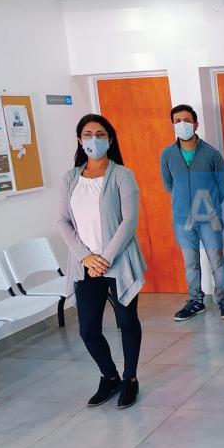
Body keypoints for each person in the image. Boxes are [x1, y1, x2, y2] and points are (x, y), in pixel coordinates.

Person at [58, 114, 147, 408]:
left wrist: (105, 258)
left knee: (126, 321)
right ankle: (109, 377)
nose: (93, 140)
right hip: (85, 264)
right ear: (79, 140)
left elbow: (129, 221)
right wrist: (86, 257)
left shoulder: (122, 175)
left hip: (117, 262)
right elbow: (63, 221)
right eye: (87, 134)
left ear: (110, 139)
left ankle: (130, 378)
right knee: (88, 330)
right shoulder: (70, 178)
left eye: (100, 134)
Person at [161, 104, 224, 321]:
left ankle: (223, 300)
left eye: (186, 120)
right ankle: (195, 301)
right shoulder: (167, 154)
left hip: (208, 218)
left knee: (216, 260)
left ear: (195, 124)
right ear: (173, 125)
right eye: (177, 121)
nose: (182, 124)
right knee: (190, 263)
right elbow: (168, 183)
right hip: (182, 219)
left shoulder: (211, 153)